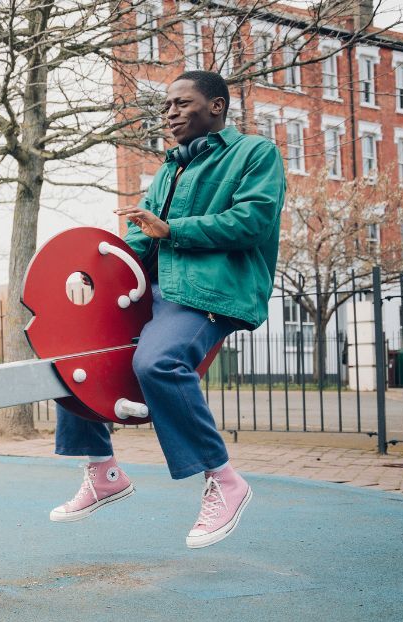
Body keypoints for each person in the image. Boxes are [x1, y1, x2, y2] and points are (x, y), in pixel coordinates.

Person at [47, 70, 285, 549]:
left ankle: (224, 479)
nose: (170, 114)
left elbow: (254, 220)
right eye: (166, 107)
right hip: (157, 289)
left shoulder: (255, 154)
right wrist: (90, 275)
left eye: (181, 103)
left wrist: (172, 231)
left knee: (158, 362)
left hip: (211, 291)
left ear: (217, 106)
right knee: (74, 351)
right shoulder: (170, 170)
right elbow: (139, 240)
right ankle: (102, 470)